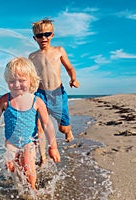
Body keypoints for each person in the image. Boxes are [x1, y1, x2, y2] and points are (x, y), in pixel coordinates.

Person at [0, 57, 60, 190]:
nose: (16, 85)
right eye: (12, 81)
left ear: (31, 80)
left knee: (28, 166)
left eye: (22, 81)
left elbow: (47, 124)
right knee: (10, 167)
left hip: (29, 141)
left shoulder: (37, 101)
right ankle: (19, 186)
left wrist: (53, 146)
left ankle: (32, 190)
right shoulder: (5, 100)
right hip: (11, 142)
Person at [28, 19, 80, 164]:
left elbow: (69, 68)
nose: (43, 38)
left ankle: (68, 131)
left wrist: (73, 79)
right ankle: (42, 157)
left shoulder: (59, 50)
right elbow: (30, 76)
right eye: (39, 35)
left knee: (63, 128)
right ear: (35, 38)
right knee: (38, 127)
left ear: (52, 35)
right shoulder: (32, 56)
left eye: (47, 34)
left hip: (57, 93)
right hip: (39, 93)